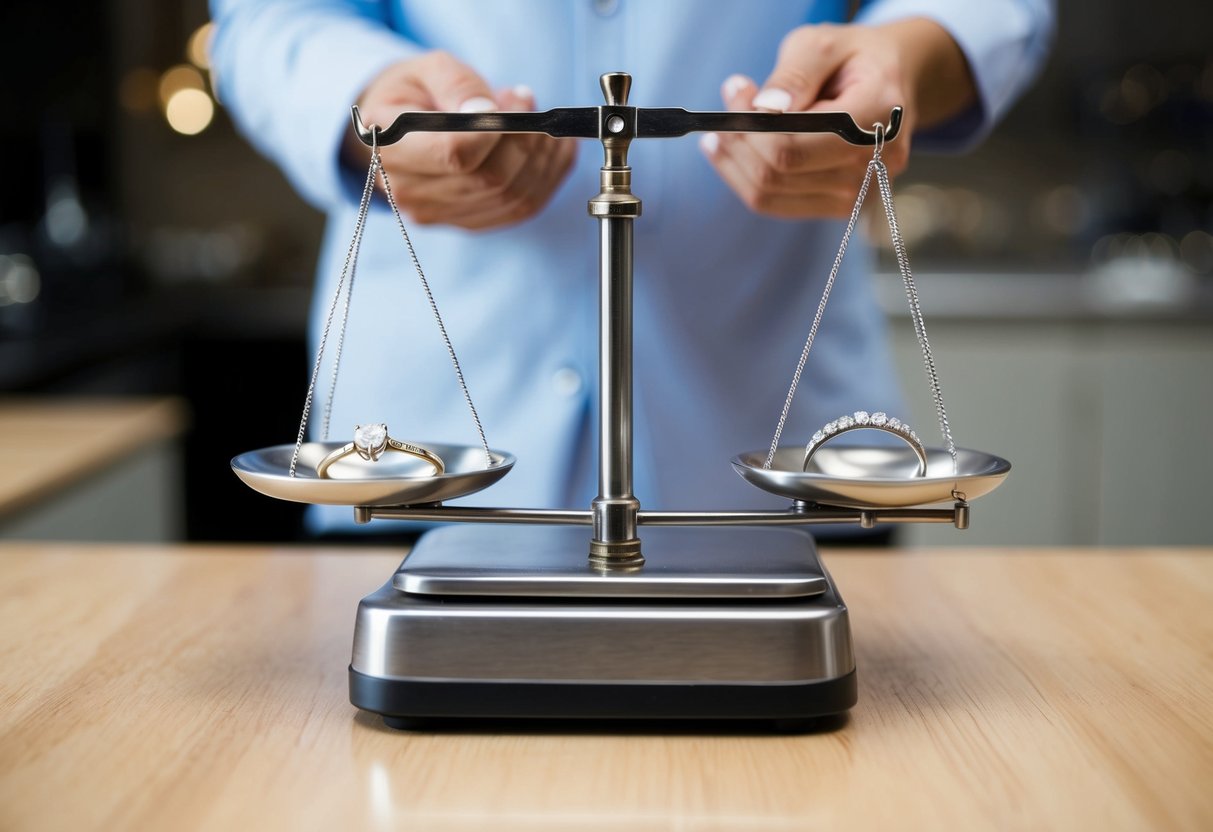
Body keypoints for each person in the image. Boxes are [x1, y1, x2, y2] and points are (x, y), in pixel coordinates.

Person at [210, 0, 1053, 535]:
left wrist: (904, 51)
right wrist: (364, 97)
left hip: (777, 458)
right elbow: (265, 20)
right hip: (416, 467)